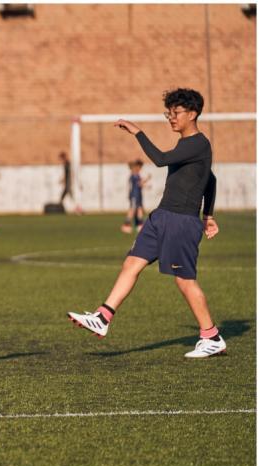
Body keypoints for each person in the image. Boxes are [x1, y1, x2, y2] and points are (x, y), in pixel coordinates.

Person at [68, 88, 222, 358]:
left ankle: (211, 336)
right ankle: (103, 317)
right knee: (132, 263)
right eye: (168, 113)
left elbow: (161, 160)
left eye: (176, 113)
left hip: (180, 221)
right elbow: (211, 180)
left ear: (193, 113)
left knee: (184, 281)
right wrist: (209, 215)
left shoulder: (198, 144)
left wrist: (137, 131)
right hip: (161, 216)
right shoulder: (187, 146)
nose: (171, 118)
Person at [121, 159, 150, 233]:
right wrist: (147, 179)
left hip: (138, 195)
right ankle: (126, 225)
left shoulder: (137, 175)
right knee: (132, 210)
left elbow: (140, 185)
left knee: (139, 209)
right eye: (139, 167)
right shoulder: (133, 175)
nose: (140, 169)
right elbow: (139, 184)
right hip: (134, 195)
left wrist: (146, 186)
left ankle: (140, 224)